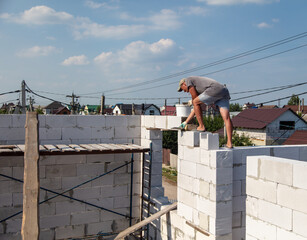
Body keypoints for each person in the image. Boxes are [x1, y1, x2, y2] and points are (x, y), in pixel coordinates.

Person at [177, 76, 233, 148]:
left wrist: (193, 102)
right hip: (223, 90)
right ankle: (229, 143)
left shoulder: (188, 80)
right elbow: (196, 109)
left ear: (184, 84)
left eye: (183, 89)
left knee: (195, 102)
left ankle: (201, 126)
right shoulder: (200, 88)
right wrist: (185, 122)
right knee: (226, 118)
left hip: (214, 89)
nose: (185, 91)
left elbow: (195, 102)